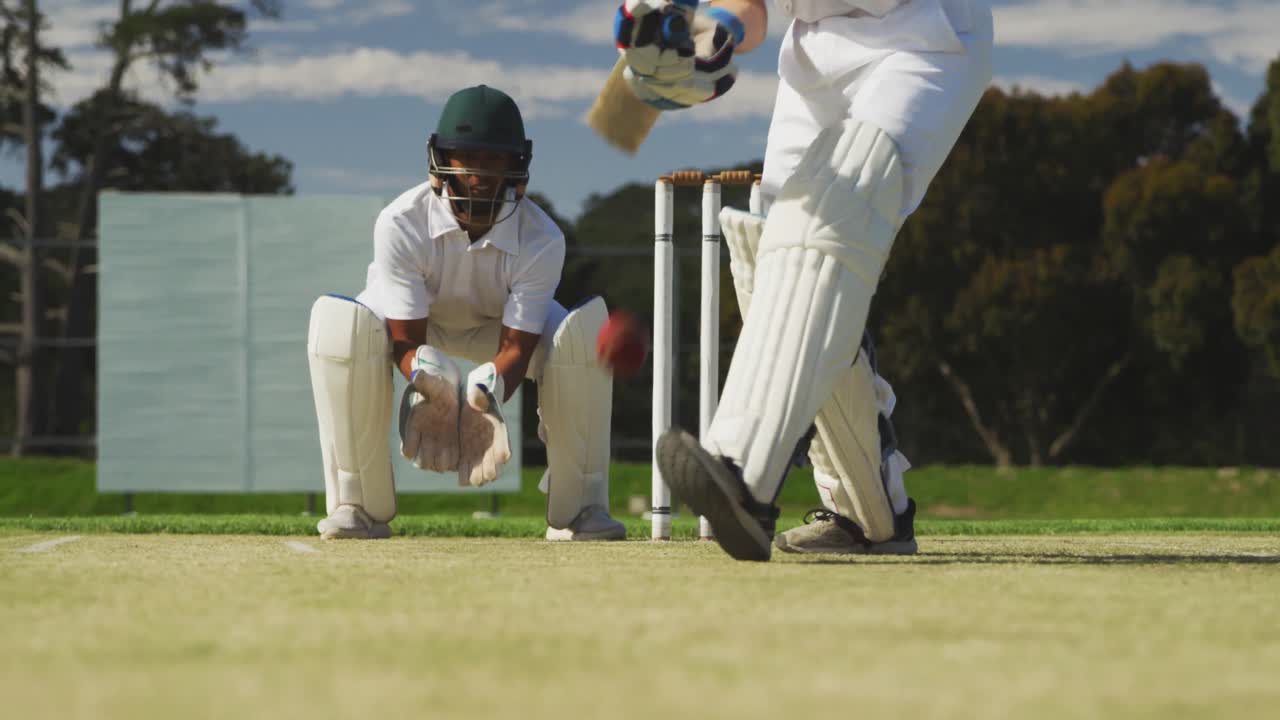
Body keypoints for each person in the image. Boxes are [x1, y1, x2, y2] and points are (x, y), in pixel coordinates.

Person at [615, 0, 993, 560]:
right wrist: (707, 34)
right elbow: (752, 11)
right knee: (774, 254)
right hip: (817, 50)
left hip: (925, 34)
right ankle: (868, 512)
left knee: (831, 213)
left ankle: (740, 474)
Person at [306, 85, 625, 542]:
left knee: (581, 337)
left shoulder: (543, 238)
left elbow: (517, 346)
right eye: (466, 156)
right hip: (421, 327)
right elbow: (406, 338)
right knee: (341, 329)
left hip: (496, 330)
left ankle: (581, 507)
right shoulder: (400, 222)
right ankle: (356, 505)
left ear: (516, 163)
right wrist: (427, 381)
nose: (478, 173)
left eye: (494, 159)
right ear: (442, 158)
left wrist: (487, 394)